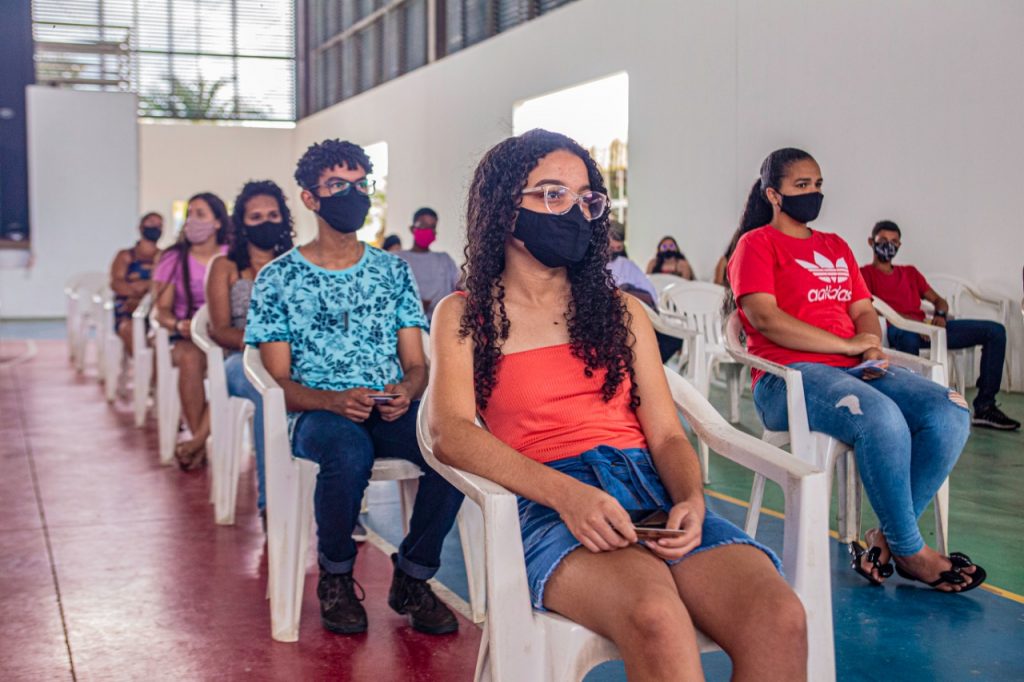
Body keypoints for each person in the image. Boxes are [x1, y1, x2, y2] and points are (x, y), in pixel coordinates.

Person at [428, 129, 806, 681]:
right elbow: (451, 432)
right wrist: (569, 496)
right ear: (504, 209)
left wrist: (691, 499)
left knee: (779, 616)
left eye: (586, 199)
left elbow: (668, 436)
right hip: (547, 499)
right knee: (656, 617)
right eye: (552, 195)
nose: (574, 212)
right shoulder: (464, 315)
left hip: (649, 492)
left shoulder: (620, 311)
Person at [727, 147, 985, 593]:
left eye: (818, 184)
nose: (813, 193)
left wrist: (869, 345)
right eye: (801, 185)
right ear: (773, 194)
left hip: (854, 370)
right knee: (881, 417)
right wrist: (847, 345)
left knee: (950, 411)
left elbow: (863, 309)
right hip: (787, 378)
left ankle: (886, 541)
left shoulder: (835, 246)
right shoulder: (755, 245)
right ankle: (913, 553)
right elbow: (765, 319)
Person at [244, 139, 463, 636]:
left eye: (362, 185)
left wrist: (407, 389)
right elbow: (279, 383)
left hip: (386, 407)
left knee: (453, 445)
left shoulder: (392, 271)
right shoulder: (278, 279)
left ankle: (413, 576)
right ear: (310, 198)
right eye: (338, 186)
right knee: (348, 452)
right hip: (316, 414)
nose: (354, 195)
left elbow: (416, 363)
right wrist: (333, 401)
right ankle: (337, 576)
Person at [860, 220, 1019, 430]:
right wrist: (913, 324)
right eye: (883, 240)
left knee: (994, 331)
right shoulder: (864, 274)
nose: (888, 245)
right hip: (900, 329)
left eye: (894, 241)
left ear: (899, 245)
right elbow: (868, 307)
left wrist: (940, 316)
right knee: (908, 337)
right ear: (871, 242)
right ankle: (912, 408)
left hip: (929, 329)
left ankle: (985, 407)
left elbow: (939, 300)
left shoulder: (910, 273)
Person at [206, 180, 295, 519]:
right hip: (241, 361)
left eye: (273, 215)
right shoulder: (225, 266)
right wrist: (264, 340)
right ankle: (271, 504)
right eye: (256, 217)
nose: (265, 223)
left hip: (294, 357)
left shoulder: (297, 264)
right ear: (241, 224)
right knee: (268, 392)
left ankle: (341, 504)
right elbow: (219, 329)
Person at [152, 193, 230, 470]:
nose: (192, 221)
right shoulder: (174, 258)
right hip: (187, 337)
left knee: (232, 366)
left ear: (218, 222)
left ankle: (195, 443)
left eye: (200, 214)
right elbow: (161, 310)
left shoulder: (231, 255)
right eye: (189, 214)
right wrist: (178, 325)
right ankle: (201, 439)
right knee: (190, 359)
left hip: (225, 337)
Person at [607, 221, 680, 362]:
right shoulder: (594, 266)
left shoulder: (626, 264)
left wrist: (627, 289)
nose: (614, 251)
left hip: (636, 313)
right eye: (612, 247)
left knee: (671, 339)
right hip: (610, 319)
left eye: (618, 248)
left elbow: (650, 293)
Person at [110, 212, 162, 354]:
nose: (156, 227)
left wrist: (146, 287)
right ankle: (143, 363)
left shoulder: (164, 257)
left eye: (159, 225)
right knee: (129, 329)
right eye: (151, 223)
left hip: (154, 308)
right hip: (128, 311)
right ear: (141, 227)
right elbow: (117, 284)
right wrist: (139, 292)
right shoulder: (125, 256)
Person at [396, 207, 460, 319]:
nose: (428, 230)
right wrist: (412, 304)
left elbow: (460, 287)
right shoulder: (398, 259)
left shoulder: (444, 260)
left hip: (441, 322)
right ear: (412, 229)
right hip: (406, 323)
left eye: (432, 227)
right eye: (423, 225)